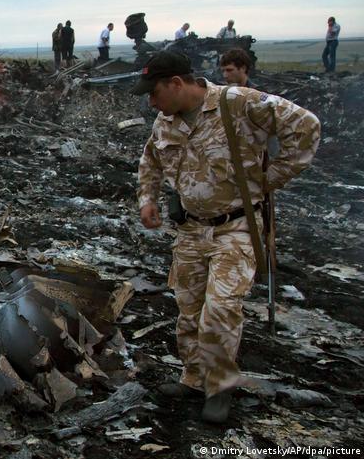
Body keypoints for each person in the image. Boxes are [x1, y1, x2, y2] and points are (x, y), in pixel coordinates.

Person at [133, 51, 320, 423]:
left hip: (236, 226)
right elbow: (150, 159)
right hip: (190, 228)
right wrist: (147, 199)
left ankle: (219, 387)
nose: (151, 101)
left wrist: (272, 178)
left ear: (176, 84)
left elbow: (307, 126)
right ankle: (193, 378)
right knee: (189, 309)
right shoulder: (165, 121)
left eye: (154, 93)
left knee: (219, 310)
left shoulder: (238, 103)